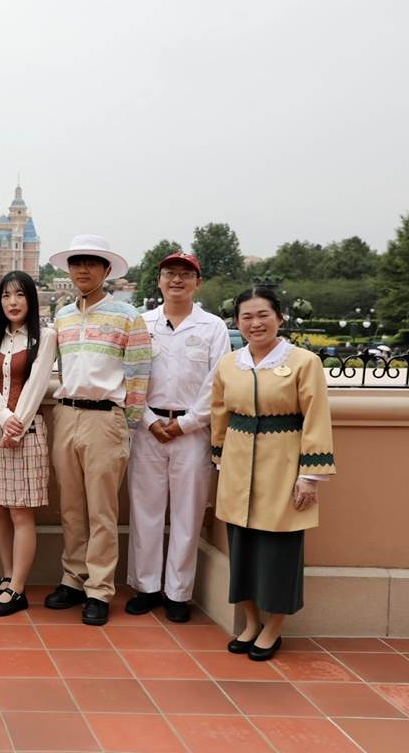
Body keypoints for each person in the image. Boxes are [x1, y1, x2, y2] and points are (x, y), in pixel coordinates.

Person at [211, 287, 334, 661]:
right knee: (242, 548)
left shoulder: (303, 362)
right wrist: (220, 460)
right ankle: (250, 622)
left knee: (279, 551)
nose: (255, 323)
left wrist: (309, 476)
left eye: (263, 314)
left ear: (279, 318)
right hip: (237, 464)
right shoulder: (229, 364)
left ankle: (274, 627)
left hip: (283, 465)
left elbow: (316, 417)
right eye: (246, 316)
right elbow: (219, 413)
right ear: (237, 322)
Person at [43, 234, 151, 626]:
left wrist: (128, 424)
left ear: (106, 270)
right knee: (71, 507)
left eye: (91, 262)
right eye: (76, 262)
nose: (82, 270)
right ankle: (73, 577)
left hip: (105, 418)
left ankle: (100, 588)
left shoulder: (126, 316)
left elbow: (139, 375)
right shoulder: (63, 316)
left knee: (102, 510)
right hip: (66, 414)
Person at [125, 253, 230, 622]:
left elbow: (218, 383)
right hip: (148, 427)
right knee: (146, 511)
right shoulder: (142, 323)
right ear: (159, 280)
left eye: (186, 275)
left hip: (193, 431)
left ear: (197, 282)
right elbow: (131, 376)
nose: (177, 280)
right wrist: (150, 420)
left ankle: (178, 593)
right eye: (170, 273)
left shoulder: (213, 327)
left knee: (187, 514)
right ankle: (147, 586)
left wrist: (186, 424)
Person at [0, 271, 57, 617]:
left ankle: (19, 588)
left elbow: (37, 385)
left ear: (31, 299)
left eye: (19, 295)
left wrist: (15, 424)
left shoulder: (44, 337)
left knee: (21, 510)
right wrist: (4, 419)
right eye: (6, 296)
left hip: (27, 431)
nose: (12, 302)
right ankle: (7, 576)